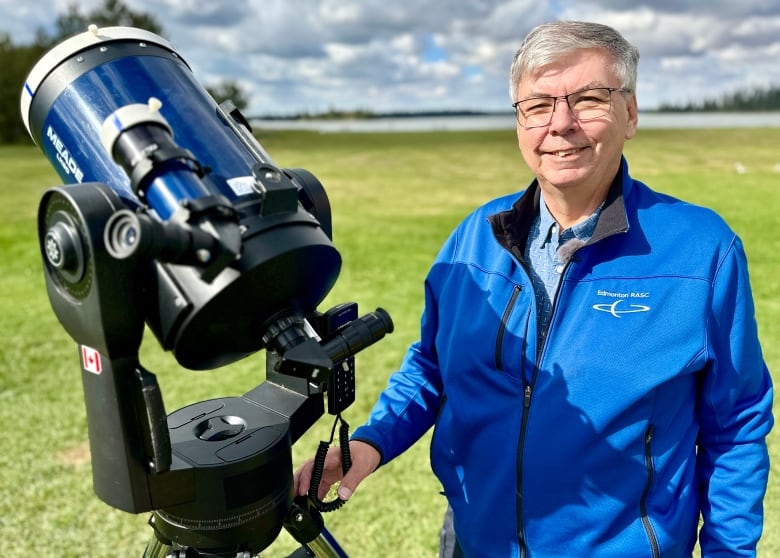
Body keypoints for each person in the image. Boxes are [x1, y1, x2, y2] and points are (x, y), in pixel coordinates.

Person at [294, 20, 774, 557]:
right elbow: (431, 365)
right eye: (538, 105)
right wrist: (370, 443)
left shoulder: (701, 250)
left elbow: (737, 425)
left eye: (589, 98)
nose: (560, 124)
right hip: (474, 542)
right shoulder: (473, 239)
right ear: (520, 120)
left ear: (631, 112)